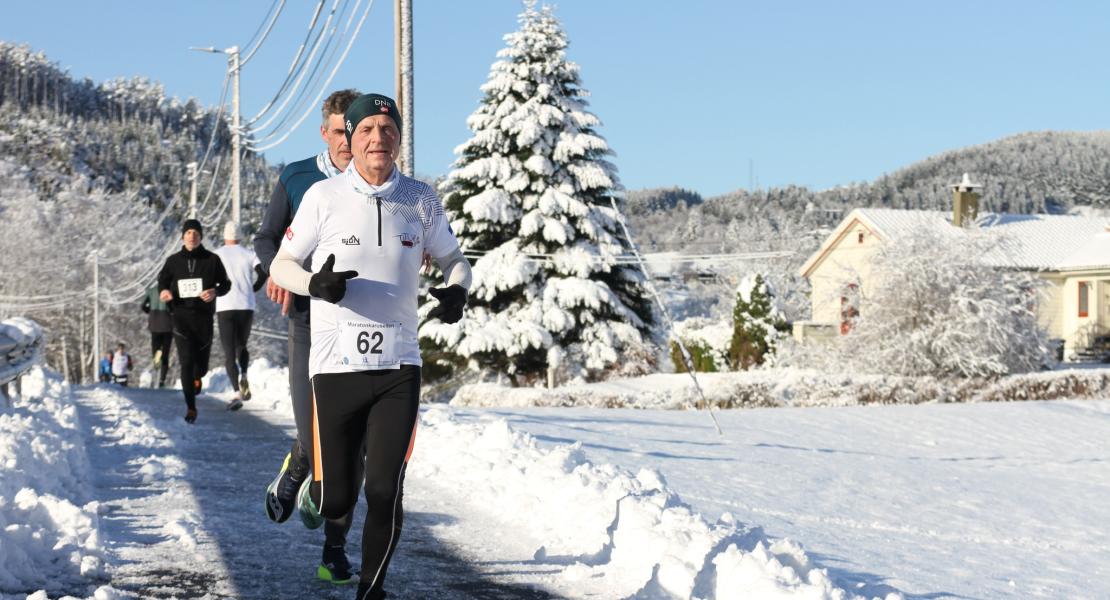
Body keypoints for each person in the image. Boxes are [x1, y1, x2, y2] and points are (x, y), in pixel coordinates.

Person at [270, 93, 472, 600]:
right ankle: (311, 475)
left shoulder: (421, 199)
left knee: (384, 489)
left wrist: (457, 290)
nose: (378, 138)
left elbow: (455, 260)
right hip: (335, 367)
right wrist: (314, 284)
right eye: (366, 130)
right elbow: (280, 264)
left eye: (388, 129)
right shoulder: (323, 196)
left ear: (399, 139)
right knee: (335, 498)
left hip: (399, 366)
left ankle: (371, 590)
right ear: (350, 138)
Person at [254, 89, 362, 585]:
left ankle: (334, 551)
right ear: (324, 133)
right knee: (314, 430)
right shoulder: (298, 177)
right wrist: (276, 270)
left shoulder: (380, 183)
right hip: (306, 319)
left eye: (353, 132)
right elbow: (266, 238)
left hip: (361, 325)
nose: (347, 142)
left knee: (349, 444)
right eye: (338, 132)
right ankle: (301, 458)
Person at [158, 219, 230, 424]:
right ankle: (191, 407)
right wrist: (164, 292)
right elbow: (162, 281)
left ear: (201, 237)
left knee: (201, 367)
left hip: (203, 318)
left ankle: (198, 377)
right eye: (188, 233)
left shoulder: (212, 260)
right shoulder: (173, 261)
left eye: (196, 233)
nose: (192, 236)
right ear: (183, 236)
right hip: (180, 317)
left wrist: (215, 291)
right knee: (186, 362)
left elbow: (226, 284)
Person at [215, 221, 266, 411]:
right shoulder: (249, 254)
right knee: (241, 345)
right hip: (246, 305)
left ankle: (237, 392)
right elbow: (263, 273)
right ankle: (244, 373)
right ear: (240, 235)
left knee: (229, 351)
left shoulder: (217, 255)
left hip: (225, 305)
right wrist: (253, 289)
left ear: (224, 235)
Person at [141, 283, 174, 388]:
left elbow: (143, 305)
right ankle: (162, 380)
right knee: (166, 352)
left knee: (157, 351)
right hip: (168, 324)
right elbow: (175, 307)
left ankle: (156, 367)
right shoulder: (171, 291)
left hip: (155, 323)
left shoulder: (151, 291)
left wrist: (150, 311)